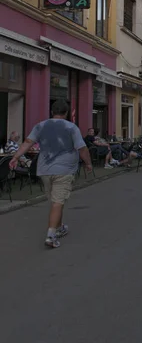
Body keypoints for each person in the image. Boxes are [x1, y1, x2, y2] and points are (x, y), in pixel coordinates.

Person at [9, 100, 92, 249]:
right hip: (65, 170)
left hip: (44, 170)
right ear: (66, 113)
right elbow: (82, 148)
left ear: (52, 111)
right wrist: (88, 163)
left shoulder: (40, 126)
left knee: (55, 201)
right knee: (58, 202)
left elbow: (27, 142)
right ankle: (51, 236)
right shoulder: (71, 127)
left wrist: (15, 157)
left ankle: (59, 228)